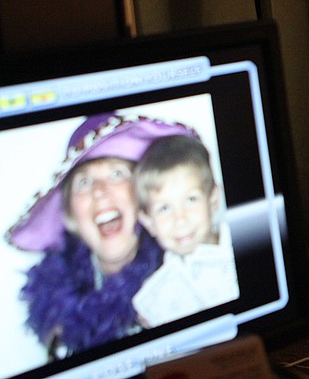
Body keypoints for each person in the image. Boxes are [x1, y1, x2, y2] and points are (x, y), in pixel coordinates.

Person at [5, 112, 198, 359]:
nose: (99, 191)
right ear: (71, 217)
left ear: (143, 196)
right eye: (84, 182)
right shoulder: (55, 306)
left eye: (117, 174)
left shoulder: (189, 279)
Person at [132, 134, 238, 327]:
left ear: (213, 200)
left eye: (191, 200)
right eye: (164, 208)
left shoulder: (247, 248)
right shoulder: (154, 301)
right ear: (148, 222)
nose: (180, 220)